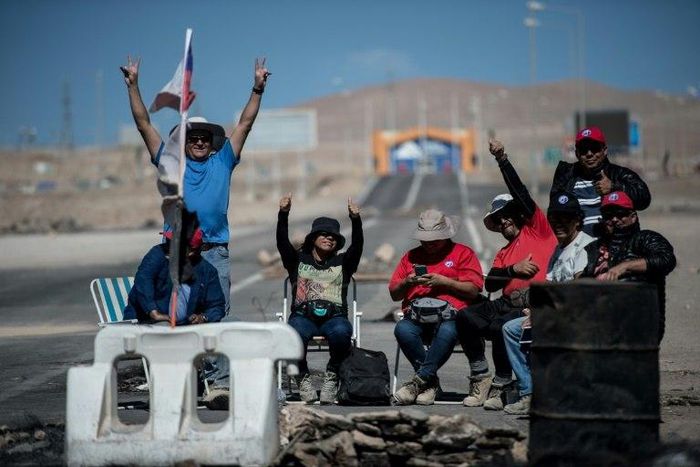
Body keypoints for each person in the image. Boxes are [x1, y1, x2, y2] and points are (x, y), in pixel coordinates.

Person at [121, 56, 270, 314]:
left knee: (216, 310)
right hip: (177, 253)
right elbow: (143, 125)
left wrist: (257, 88)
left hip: (215, 252)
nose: (199, 142)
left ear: (212, 143)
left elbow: (245, 124)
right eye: (193, 138)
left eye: (204, 138)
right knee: (176, 311)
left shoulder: (223, 161)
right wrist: (133, 86)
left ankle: (208, 356)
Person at [456, 139, 557, 411]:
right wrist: (513, 269)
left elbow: (520, 192)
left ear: (519, 214)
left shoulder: (538, 230)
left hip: (533, 302)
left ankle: (503, 382)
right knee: (465, 317)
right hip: (506, 302)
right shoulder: (503, 252)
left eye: (507, 215)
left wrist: (502, 159)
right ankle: (481, 376)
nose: (504, 221)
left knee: (503, 327)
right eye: (498, 219)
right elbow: (490, 282)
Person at [501, 192, 596, 415]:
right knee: (511, 329)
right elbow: (550, 285)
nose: (559, 224)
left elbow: (578, 287)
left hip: (576, 315)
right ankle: (528, 393)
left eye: (566, 218)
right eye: (555, 219)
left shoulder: (586, 246)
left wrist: (545, 313)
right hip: (555, 312)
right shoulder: (558, 248)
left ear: (577, 220)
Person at [390, 209, 483, 406]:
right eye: (425, 240)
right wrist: (407, 282)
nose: (429, 244)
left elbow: (473, 291)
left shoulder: (463, 253)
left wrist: (445, 282)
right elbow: (394, 293)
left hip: (451, 316)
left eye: (434, 240)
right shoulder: (411, 256)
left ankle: (419, 381)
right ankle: (430, 383)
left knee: (448, 331)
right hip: (416, 316)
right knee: (403, 329)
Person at [276, 193, 363, 404]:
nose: (329, 238)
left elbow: (357, 246)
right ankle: (302, 377)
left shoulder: (343, 262)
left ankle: (332, 376)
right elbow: (281, 242)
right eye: (323, 234)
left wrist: (356, 220)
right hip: (303, 317)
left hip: (334, 318)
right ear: (313, 238)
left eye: (333, 236)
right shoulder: (298, 260)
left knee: (342, 332)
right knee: (294, 333)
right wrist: (283, 214)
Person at [581, 191, 676, 343]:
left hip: (638, 324)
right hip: (597, 325)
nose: (614, 219)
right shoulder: (593, 248)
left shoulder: (645, 239)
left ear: (633, 216)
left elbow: (667, 260)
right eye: (608, 214)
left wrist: (624, 267)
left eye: (621, 214)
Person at [550, 126, 651, 236]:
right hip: (578, 249)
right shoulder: (566, 177)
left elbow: (644, 199)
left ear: (605, 150)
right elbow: (554, 214)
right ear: (577, 153)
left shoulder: (618, 174)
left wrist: (614, 187)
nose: (589, 154)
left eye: (594, 148)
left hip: (614, 246)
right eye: (584, 149)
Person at [123, 224, 225, 326]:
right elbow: (144, 279)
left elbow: (217, 306)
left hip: (186, 327)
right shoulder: (158, 253)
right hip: (147, 322)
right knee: (163, 325)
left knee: (231, 323)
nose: (169, 246)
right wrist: (153, 312)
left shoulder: (207, 271)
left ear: (191, 252)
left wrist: (203, 317)